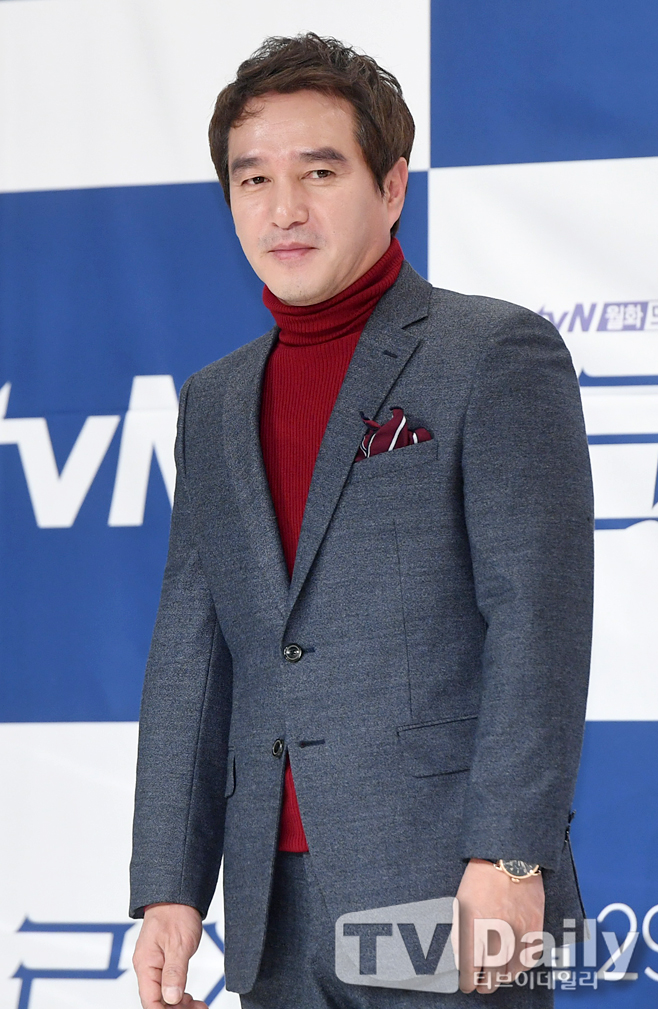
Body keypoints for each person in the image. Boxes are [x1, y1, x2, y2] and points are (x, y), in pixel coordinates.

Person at [130, 33, 593, 1009]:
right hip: (271, 904)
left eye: (319, 172)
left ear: (390, 187)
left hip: (450, 880)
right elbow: (191, 651)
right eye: (252, 179)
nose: (283, 208)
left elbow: (538, 620)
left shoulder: (492, 353)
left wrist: (511, 853)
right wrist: (170, 884)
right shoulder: (214, 400)